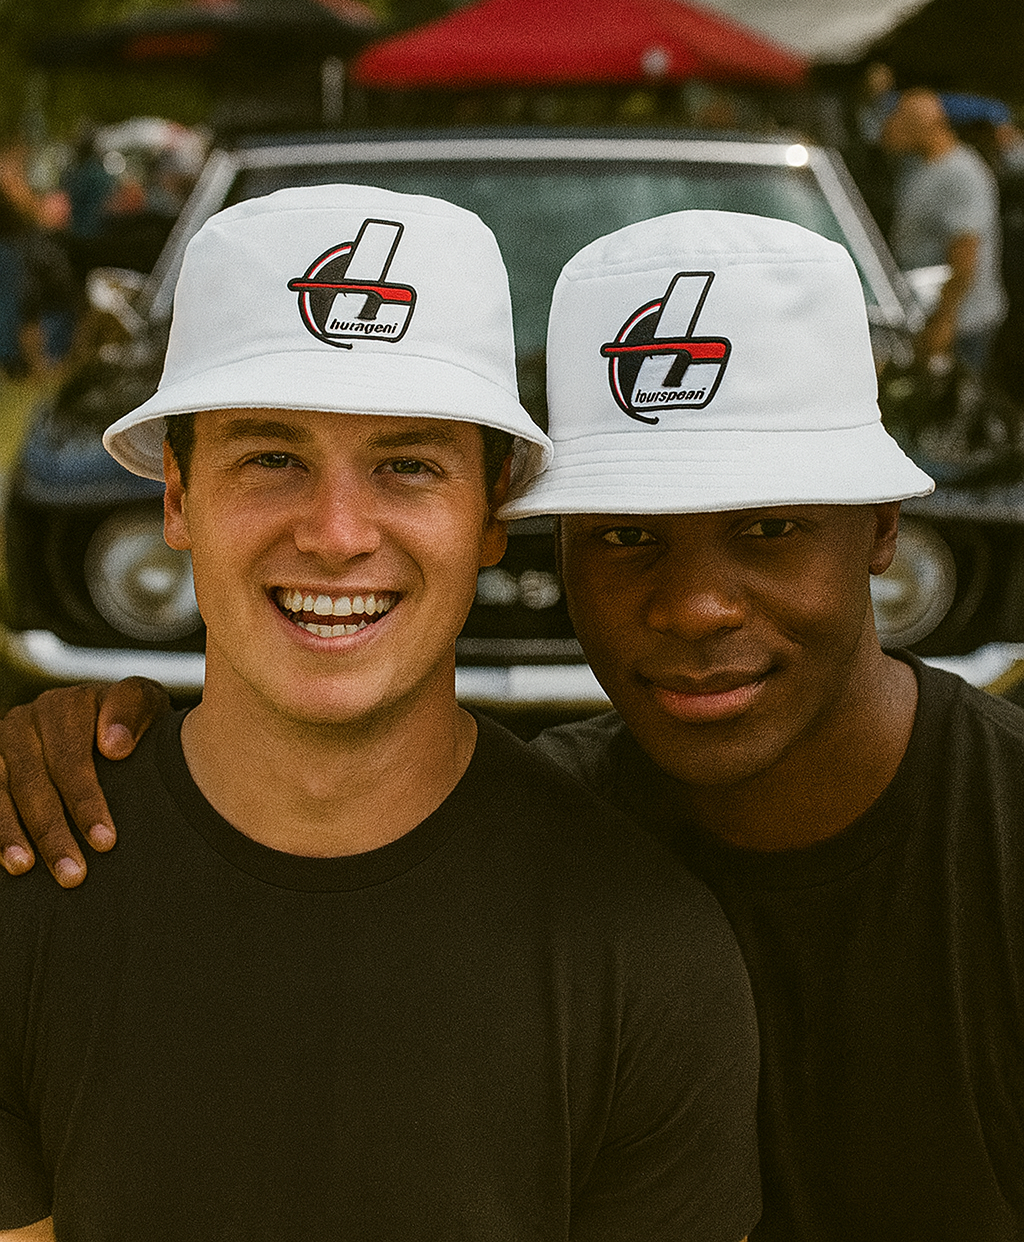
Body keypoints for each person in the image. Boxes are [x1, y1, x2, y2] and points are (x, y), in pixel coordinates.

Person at [7, 205, 1024, 1240]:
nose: (696, 605)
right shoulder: (564, 827)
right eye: (627, 532)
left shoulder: (649, 916)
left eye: (768, 528)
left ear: (884, 525)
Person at [882, 87, 1007, 372]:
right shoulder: (917, 166)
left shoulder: (961, 173)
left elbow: (964, 255)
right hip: (926, 311)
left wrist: (944, 320)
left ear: (924, 127)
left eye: (899, 120)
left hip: (962, 322)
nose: (890, 126)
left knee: (952, 404)